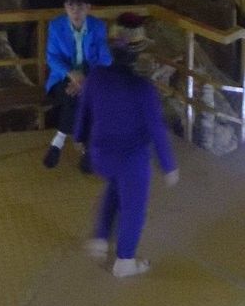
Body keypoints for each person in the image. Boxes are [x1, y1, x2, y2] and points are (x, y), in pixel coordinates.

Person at [75, 15, 178, 277]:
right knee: (133, 207)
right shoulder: (142, 88)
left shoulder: (97, 77)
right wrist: (168, 165)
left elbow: (83, 112)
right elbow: (156, 128)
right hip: (131, 159)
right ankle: (125, 260)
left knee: (114, 188)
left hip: (101, 154)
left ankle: (100, 238)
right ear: (138, 52)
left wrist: (79, 139)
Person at [42, 0, 110, 172]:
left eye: (80, 7)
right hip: (62, 76)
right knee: (77, 98)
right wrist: (72, 75)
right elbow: (52, 58)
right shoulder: (56, 26)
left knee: (84, 98)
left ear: (88, 7)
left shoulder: (98, 27)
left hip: (91, 76)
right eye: (70, 6)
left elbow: (105, 59)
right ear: (65, 7)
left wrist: (85, 79)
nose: (75, 11)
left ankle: (58, 142)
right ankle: (87, 152)